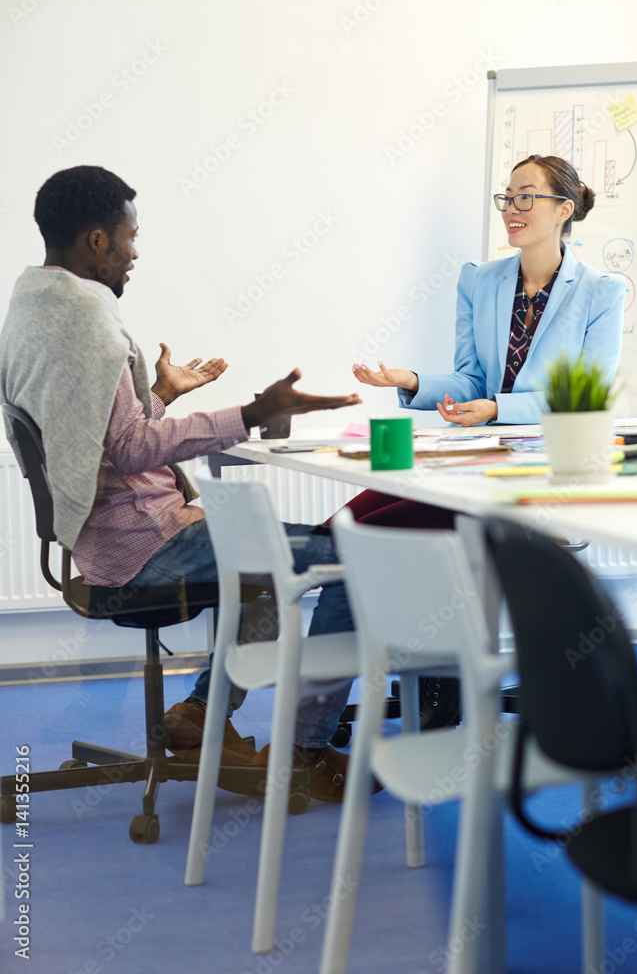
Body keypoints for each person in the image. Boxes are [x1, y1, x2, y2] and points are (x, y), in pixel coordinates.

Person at [0, 165, 366, 804]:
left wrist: (161, 393)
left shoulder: (32, 304)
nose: (135, 253)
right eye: (130, 238)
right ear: (96, 241)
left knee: (259, 562)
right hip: (145, 547)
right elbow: (131, 448)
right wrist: (250, 414)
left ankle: (202, 712)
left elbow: (93, 438)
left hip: (102, 544)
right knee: (353, 560)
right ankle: (308, 749)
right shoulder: (89, 318)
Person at [346, 154, 626, 728]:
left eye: (527, 197)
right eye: (508, 197)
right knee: (352, 520)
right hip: (473, 459)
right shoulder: (481, 280)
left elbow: (584, 400)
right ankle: (427, 686)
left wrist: (500, 408)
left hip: (544, 471)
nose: (512, 209)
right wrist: (413, 383)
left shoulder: (600, 293)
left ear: (563, 210)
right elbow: (471, 379)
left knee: (369, 534)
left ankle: (381, 706)